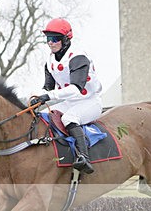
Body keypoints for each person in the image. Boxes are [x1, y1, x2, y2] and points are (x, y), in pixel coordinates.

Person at [29, 18, 103, 174]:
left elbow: (75, 89)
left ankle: (84, 158)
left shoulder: (78, 57)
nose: (50, 43)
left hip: (89, 101)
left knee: (69, 119)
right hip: (69, 102)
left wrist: (48, 96)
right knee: (44, 116)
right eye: (48, 39)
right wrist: (36, 99)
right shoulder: (50, 61)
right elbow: (48, 88)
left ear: (66, 39)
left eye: (55, 38)